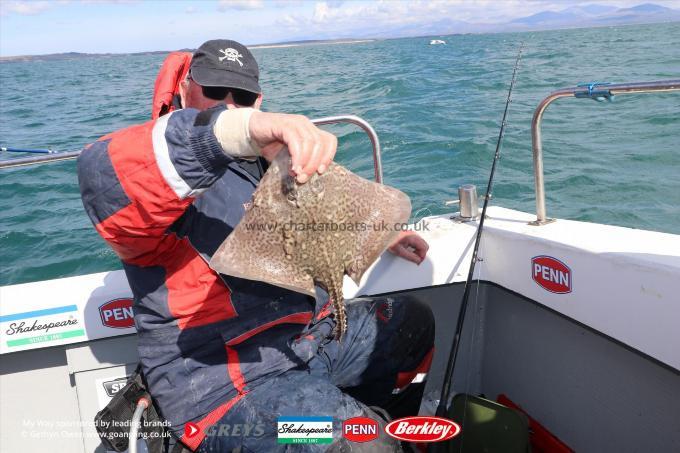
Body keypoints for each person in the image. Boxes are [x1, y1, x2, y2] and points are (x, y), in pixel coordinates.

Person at [78, 39, 434, 452]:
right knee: (360, 442)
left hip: (307, 339)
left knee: (412, 323)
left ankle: (357, 418)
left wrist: (380, 233)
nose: (228, 105)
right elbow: (104, 177)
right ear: (183, 89)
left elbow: (326, 209)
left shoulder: (269, 158)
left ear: (259, 98)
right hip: (219, 385)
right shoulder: (165, 176)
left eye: (243, 97)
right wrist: (240, 130)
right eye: (213, 92)